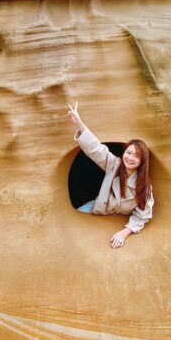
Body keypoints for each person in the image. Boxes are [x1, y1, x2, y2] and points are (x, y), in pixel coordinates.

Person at [67, 102, 153, 248]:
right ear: (123, 153)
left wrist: (123, 233)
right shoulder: (114, 164)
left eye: (137, 156)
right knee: (71, 220)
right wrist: (79, 124)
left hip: (117, 218)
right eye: (129, 153)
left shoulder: (145, 186)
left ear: (142, 161)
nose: (130, 158)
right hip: (96, 207)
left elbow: (142, 216)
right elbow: (96, 149)